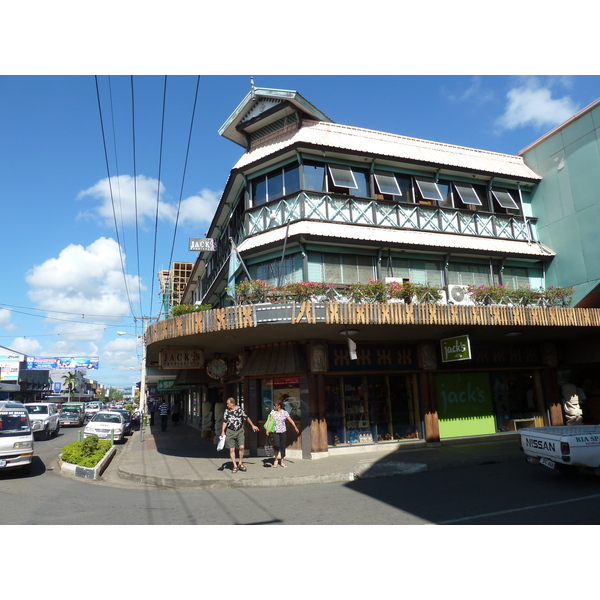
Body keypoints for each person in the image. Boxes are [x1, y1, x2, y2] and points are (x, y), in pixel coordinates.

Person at [221, 397, 259, 473]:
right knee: (232, 449)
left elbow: (246, 417)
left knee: (242, 447)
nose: (227, 405)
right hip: (230, 431)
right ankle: (235, 465)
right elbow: (225, 421)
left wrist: (253, 425)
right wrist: (223, 431)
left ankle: (240, 463)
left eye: (228, 403)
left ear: (232, 403)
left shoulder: (239, 410)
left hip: (239, 431)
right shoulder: (227, 411)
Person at [269, 398, 299, 468]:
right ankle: (276, 459)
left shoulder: (284, 412)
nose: (274, 407)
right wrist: (267, 430)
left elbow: (290, 420)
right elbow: (270, 421)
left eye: (275, 405)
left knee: (282, 446)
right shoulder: (272, 412)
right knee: (277, 445)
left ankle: (282, 461)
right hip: (275, 430)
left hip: (283, 431)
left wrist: (295, 427)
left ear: (279, 406)